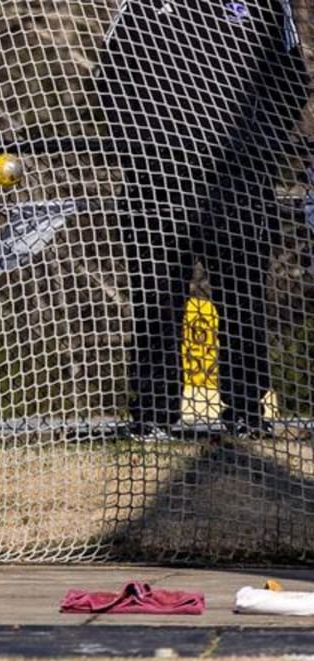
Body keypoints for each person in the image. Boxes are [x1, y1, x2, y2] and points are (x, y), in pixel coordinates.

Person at [98, 0, 309, 440]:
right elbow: (110, 78)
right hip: (158, 185)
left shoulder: (266, 5)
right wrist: (149, 149)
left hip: (239, 185)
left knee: (243, 302)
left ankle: (246, 416)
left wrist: (253, 148)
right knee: (155, 304)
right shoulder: (140, 6)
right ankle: (153, 417)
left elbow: (292, 80)